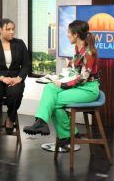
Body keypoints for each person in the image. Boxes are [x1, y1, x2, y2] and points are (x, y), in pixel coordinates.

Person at [23, 20, 100, 148]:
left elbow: (83, 78)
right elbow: (78, 69)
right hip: (79, 87)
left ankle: (67, 134)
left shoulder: (89, 53)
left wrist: (63, 84)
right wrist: (69, 64)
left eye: (69, 32)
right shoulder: (78, 48)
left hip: (88, 89)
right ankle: (42, 122)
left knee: (53, 101)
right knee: (49, 88)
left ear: (75, 35)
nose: (67, 35)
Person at [0, 18, 30, 135]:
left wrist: (19, 78)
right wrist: (2, 78)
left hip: (14, 78)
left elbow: (26, 65)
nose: (11, 32)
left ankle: (10, 117)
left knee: (15, 94)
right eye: (8, 29)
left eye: (13, 29)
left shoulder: (20, 43)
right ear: (0, 30)